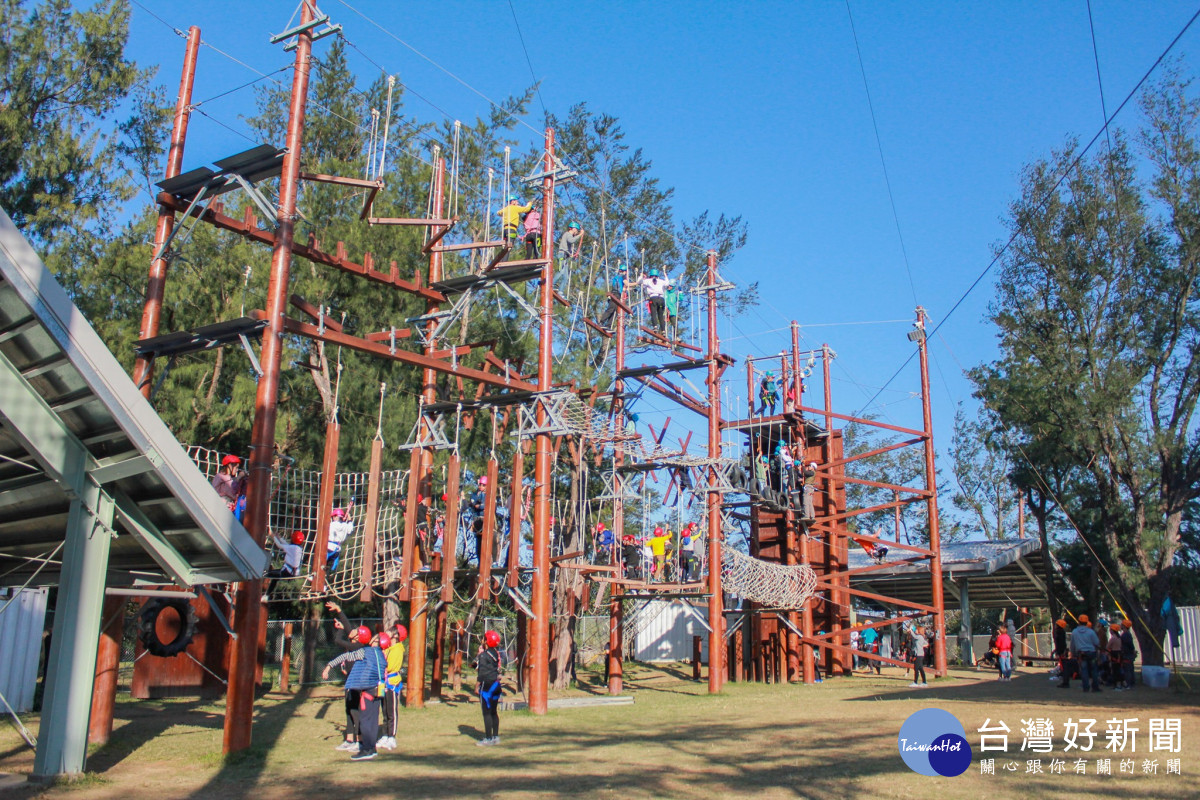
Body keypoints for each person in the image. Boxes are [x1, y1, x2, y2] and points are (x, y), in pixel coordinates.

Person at [323, 629, 388, 761]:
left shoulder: (365, 651)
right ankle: (372, 749)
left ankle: (366, 749)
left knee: (364, 720)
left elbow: (346, 657)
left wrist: (329, 666)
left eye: (374, 637)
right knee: (373, 720)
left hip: (368, 690)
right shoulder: (381, 655)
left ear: (376, 641)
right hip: (378, 690)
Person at [379, 624, 407, 750]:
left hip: (392, 682)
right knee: (384, 710)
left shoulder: (397, 649)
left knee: (391, 711)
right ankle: (385, 735)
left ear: (395, 635)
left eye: (389, 632)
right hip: (383, 682)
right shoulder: (387, 648)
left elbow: (389, 666)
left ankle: (392, 737)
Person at [475, 629, 504, 746]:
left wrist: (476, 687)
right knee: (493, 712)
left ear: (486, 641)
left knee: (486, 713)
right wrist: (480, 655)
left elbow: (481, 673)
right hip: (496, 686)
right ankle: (495, 736)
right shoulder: (495, 654)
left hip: (487, 686)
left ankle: (488, 738)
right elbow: (476, 665)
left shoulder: (483, 656)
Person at [265, 529, 305, 600]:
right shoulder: (298, 548)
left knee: (268, 574)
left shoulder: (292, 548)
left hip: (288, 572)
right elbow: (286, 544)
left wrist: (272, 536)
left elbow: (280, 545)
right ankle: (266, 595)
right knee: (274, 577)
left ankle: (266, 595)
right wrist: (279, 537)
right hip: (292, 572)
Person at [1069, 614, 1101, 692]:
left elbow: (1072, 644)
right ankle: (1095, 687)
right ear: (1087, 623)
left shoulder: (1075, 632)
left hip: (1082, 654)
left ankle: (1086, 687)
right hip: (1092, 653)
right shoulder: (1091, 632)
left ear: (1079, 622)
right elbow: (1097, 642)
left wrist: (1072, 653)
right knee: (1094, 670)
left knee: (1084, 670)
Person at [211, 454, 246, 521]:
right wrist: (239, 477)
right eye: (236, 467)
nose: (237, 470)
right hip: (222, 506)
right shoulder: (220, 476)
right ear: (230, 465)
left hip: (231, 507)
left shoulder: (231, 478)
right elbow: (232, 485)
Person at [599, 262, 628, 331]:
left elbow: (623, 288)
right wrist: (637, 283)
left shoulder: (618, 277)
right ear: (624, 271)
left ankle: (608, 326)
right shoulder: (622, 276)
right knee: (611, 309)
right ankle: (601, 322)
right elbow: (627, 284)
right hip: (615, 294)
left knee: (614, 311)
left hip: (617, 294)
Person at [638, 268, 669, 332]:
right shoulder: (661, 281)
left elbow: (639, 282)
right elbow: (667, 284)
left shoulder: (648, 280)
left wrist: (641, 276)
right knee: (660, 315)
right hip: (661, 299)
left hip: (653, 298)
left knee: (653, 313)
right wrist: (665, 276)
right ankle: (663, 330)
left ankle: (655, 326)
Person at [326, 506, 354, 573]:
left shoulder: (331, 524)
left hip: (329, 547)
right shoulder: (345, 526)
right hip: (337, 550)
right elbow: (350, 529)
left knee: (320, 563)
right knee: (329, 568)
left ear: (334, 517)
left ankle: (313, 575)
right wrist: (349, 519)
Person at [1118, 619, 1137, 690]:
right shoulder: (1127, 634)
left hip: (1127, 654)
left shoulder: (1125, 635)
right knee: (1130, 668)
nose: (1121, 625)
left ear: (1124, 626)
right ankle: (1131, 683)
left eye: (1122, 624)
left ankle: (1129, 684)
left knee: (1127, 670)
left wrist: (1132, 651)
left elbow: (1130, 645)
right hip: (1128, 654)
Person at [1106, 622, 1123, 688]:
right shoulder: (1119, 638)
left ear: (1112, 630)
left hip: (1114, 654)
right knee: (1119, 669)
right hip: (1119, 654)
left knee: (1114, 670)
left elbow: (1107, 646)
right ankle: (1120, 683)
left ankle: (1115, 684)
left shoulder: (1113, 638)